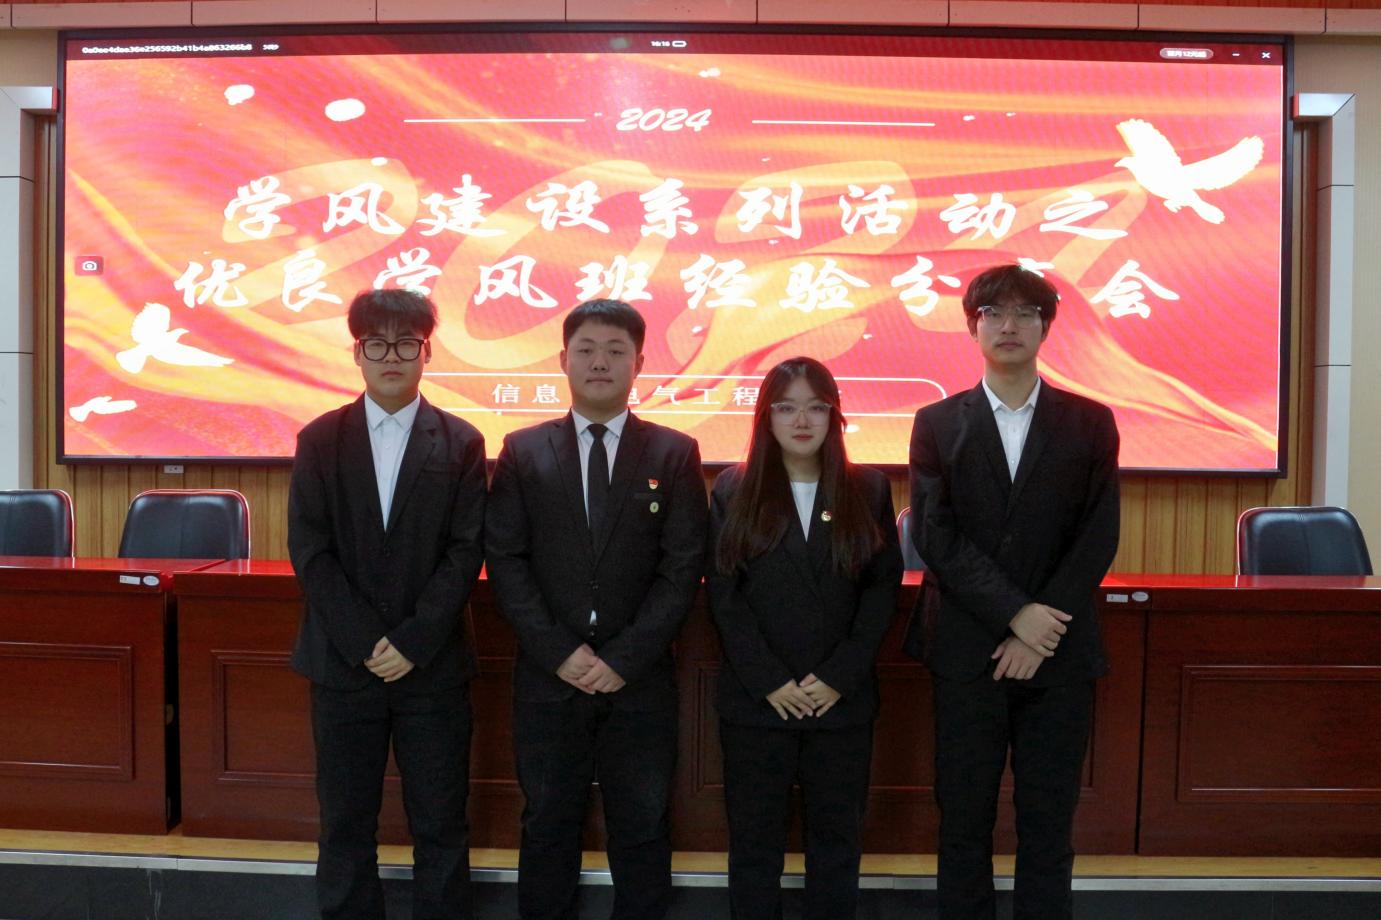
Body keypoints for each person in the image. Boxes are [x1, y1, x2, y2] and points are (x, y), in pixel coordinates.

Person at [905, 264, 1120, 920]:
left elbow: (1097, 535)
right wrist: (1015, 614)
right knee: (962, 818)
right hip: (967, 649)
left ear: (1045, 327)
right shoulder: (937, 421)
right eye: (992, 313)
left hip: (1058, 655)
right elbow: (935, 536)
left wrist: (1039, 629)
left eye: (1025, 313)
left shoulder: (1089, 421)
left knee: (1048, 821)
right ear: (972, 327)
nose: (1008, 325)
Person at [485, 298, 708, 920]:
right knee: (547, 820)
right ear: (563, 360)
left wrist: (624, 659)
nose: (600, 362)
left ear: (640, 362)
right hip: (548, 676)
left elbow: (682, 567)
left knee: (642, 823)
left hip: (638, 679)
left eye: (615, 351)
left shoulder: (673, 453)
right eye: (586, 350)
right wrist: (559, 652)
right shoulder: (523, 450)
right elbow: (506, 559)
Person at [288, 289, 487, 920]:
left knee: (441, 822)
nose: (392, 356)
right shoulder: (320, 439)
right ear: (357, 353)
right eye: (377, 344)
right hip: (343, 667)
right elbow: (310, 549)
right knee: (345, 823)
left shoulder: (460, 441)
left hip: (432, 667)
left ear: (427, 352)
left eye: (406, 343)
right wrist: (365, 642)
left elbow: (466, 551)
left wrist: (412, 642)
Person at [707, 357, 902, 920]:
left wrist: (838, 677)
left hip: (839, 702)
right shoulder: (734, 488)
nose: (801, 420)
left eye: (816, 407)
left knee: (836, 845)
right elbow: (725, 597)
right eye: (786, 407)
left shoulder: (867, 488)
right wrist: (770, 680)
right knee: (754, 846)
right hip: (758, 703)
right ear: (765, 417)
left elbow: (880, 594)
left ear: (835, 417)